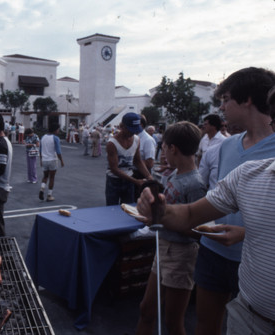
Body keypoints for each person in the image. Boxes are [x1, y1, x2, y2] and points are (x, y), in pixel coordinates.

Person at [136, 154, 275, 334]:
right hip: (248, 320)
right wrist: (159, 211)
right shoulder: (249, 174)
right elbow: (191, 214)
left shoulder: (195, 182)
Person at [193, 67, 275, 335]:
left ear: (247, 99)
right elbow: (217, 196)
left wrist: (246, 233)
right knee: (205, 326)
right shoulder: (226, 146)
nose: (221, 107)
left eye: (226, 98)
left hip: (253, 264)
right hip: (212, 250)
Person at [135, 122, 207, 335]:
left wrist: (162, 220)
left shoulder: (195, 184)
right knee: (146, 310)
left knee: (172, 322)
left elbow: (199, 231)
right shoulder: (173, 175)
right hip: (163, 247)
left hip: (181, 254)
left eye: (164, 147)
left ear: (172, 148)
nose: (162, 152)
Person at [105, 112, 152, 206]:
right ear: (122, 127)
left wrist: (149, 176)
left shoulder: (136, 139)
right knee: (111, 209)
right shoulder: (112, 143)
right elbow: (114, 169)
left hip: (129, 181)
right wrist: (136, 181)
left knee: (129, 208)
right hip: (114, 181)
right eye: (130, 130)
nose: (133, 133)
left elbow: (137, 161)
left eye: (135, 130)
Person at [39, 122, 65, 202]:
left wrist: (41, 160)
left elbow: (40, 150)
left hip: (44, 159)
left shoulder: (43, 137)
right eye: (58, 130)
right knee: (52, 177)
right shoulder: (55, 138)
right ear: (55, 130)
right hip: (52, 159)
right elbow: (58, 151)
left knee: (45, 176)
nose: (58, 131)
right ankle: (49, 195)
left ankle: (42, 189)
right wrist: (62, 161)